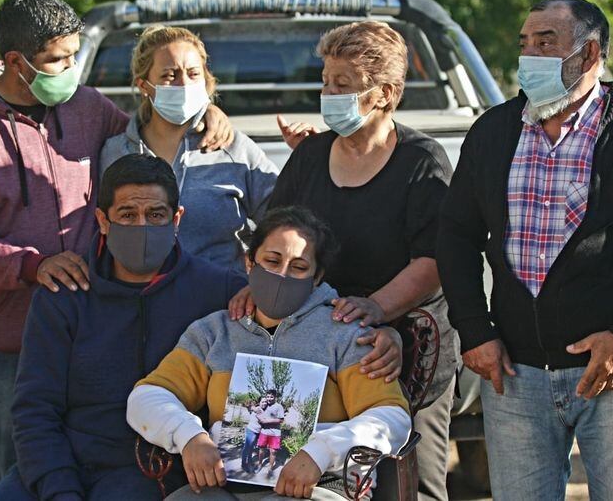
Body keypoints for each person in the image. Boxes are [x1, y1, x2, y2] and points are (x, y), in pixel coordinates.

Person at [0, 0, 234, 497]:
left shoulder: (87, 107)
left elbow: (148, 136)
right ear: (14, 63)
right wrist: (32, 266)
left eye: (75, 56)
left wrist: (205, 111)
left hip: (93, 315)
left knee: (100, 442)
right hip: (4, 330)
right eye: (57, 60)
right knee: (14, 463)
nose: (71, 70)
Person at [436, 0, 613, 500]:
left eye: (546, 43)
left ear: (588, 56)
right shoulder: (494, 132)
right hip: (515, 376)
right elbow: (455, 235)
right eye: (525, 44)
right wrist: (475, 331)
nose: (529, 57)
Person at [229, 21, 459, 501]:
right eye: (326, 81)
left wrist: (376, 308)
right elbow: (276, 235)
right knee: (304, 479)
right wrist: (258, 284)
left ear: (385, 94)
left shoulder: (422, 160)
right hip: (315, 352)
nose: (328, 93)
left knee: (410, 483)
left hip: (403, 351)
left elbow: (436, 257)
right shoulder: (311, 155)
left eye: (343, 85)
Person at [0, 154, 245, 501]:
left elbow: (291, 307)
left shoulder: (220, 290)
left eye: (155, 215)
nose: (142, 226)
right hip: (64, 460)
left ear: (177, 219)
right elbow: (35, 409)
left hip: (153, 469)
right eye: (127, 215)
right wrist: (59, 488)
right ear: (103, 221)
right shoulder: (64, 295)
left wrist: (339, 305)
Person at [127, 206, 411, 500]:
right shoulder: (214, 333)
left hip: (320, 486)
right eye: (272, 261)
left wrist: (321, 452)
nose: (282, 275)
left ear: (317, 276)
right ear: (249, 262)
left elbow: (391, 417)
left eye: (299, 267)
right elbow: (147, 397)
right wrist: (189, 437)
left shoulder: (346, 334)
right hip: (225, 485)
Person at [101, 25, 278, 273]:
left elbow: (282, 222)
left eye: (193, 73)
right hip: (139, 304)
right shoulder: (115, 152)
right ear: (144, 85)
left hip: (222, 303)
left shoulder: (233, 147)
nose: (183, 84)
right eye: (169, 75)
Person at [255, 389, 285, 476]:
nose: (269, 399)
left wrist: (267, 421)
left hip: (275, 433)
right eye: (268, 396)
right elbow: (255, 408)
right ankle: (260, 465)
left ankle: (270, 469)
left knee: (273, 452)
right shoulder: (264, 404)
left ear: (275, 397)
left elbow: (281, 420)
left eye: (271, 397)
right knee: (261, 450)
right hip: (264, 432)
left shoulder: (279, 407)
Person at [242, 398, 267, 473]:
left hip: (257, 432)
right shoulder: (258, 409)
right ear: (259, 403)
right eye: (263, 402)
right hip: (251, 430)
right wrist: (253, 407)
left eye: (265, 402)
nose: (264, 403)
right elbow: (249, 406)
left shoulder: (264, 410)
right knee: (247, 447)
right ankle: (243, 464)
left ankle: (249, 460)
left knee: (251, 448)